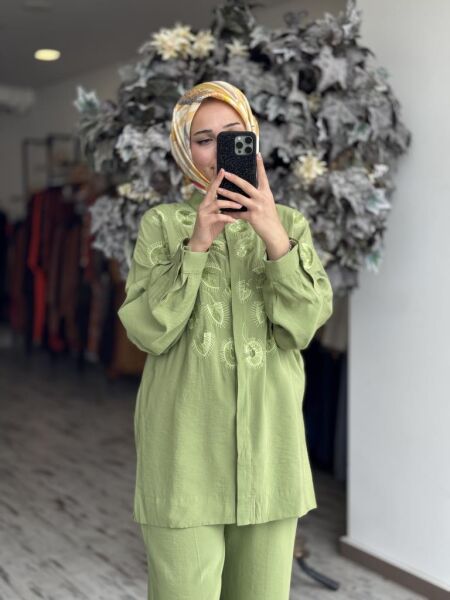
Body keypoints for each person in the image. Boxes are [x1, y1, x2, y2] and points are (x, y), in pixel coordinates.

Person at [118, 80, 333, 600]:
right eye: (203, 138)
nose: (219, 150)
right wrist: (197, 243)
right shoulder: (161, 224)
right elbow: (147, 330)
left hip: (270, 453)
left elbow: (303, 326)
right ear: (185, 150)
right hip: (184, 454)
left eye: (233, 135)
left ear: (252, 139)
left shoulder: (290, 224)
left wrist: (273, 235)